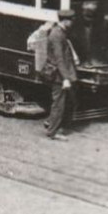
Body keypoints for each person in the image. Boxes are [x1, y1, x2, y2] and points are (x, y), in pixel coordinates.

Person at [41, 9, 80, 141]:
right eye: (71, 20)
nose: (73, 23)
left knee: (67, 101)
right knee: (59, 103)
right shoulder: (57, 35)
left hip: (62, 74)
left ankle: (51, 123)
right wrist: (65, 78)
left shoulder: (61, 32)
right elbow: (59, 59)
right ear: (65, 21)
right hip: (59, 75)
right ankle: (52, 132)